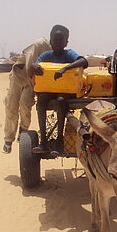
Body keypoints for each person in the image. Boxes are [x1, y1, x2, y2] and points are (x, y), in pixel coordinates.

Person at [32, 25, 88, 155]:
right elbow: (35, 64)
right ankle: (44, 141)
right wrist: (34, 66)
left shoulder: (68, 54)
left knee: (61, 100)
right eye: (55, 39)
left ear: (66, 42)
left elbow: (83, 61)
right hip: (48, 90)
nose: (57, 42)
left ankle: (59, 141)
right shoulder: (46, 55)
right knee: (41, 100)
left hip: (66, 91)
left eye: (60, 39)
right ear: (50, 41)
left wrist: (65, 68)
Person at [3, 38, 51, 154]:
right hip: (19, 76)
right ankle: (8, 140)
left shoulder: (57, 51)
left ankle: (23, 132)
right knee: (11, 107)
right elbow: (30, 62)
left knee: (25, 104)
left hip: (33, 81)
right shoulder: (40, 44)